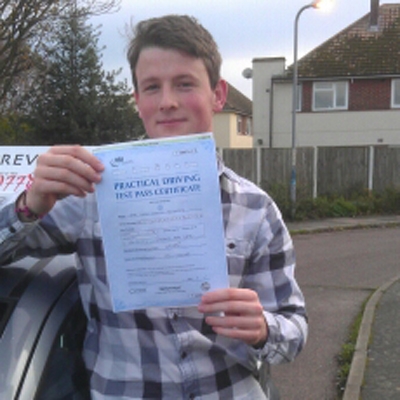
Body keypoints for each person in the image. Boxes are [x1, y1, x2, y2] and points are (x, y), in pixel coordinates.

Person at [0, 14, 307, 399]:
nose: (167, 102)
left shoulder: (257, 209)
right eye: (151, 87)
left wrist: (264, 329)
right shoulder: (86, 196)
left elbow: (294, 330)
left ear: (218, 94)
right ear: (137, 101)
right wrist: (29, 206)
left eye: (184, 84)